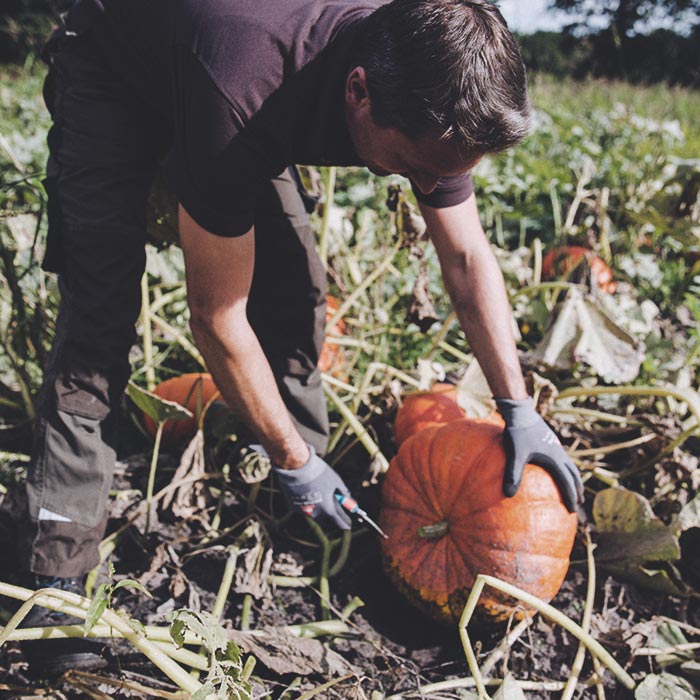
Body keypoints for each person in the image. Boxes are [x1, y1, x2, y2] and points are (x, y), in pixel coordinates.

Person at [20, 0, 583, 672]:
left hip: (225, 68)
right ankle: (52, 575)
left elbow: (463, 260)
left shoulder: (434, 80)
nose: (433, 186)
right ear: (358, 92)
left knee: (296, 292)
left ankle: (307, 509)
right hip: (117, 67)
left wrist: (519, 407)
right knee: (100, 320)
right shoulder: (243, 84)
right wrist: (293, 462)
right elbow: (216, 318)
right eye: (418, 165)